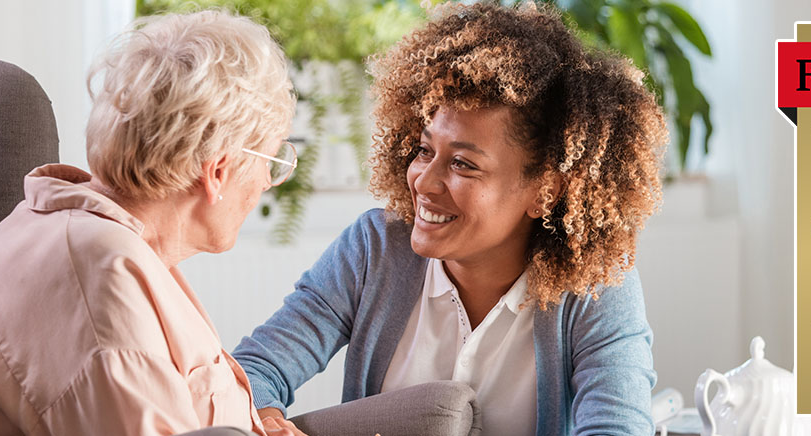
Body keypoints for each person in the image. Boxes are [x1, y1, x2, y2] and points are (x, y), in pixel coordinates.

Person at [232, 3, 667, 435]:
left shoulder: (596, 289)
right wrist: (268, 423)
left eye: (463, 164)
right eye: (424, 151)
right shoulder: (374, 249)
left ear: (545, 191)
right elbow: (252, 370)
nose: (424, 182)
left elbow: (617, 428)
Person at [0, 11, 301, 436]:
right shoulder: (100, 280)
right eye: (272, 161)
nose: (269, 182)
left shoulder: (97, 238)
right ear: (218, 171)